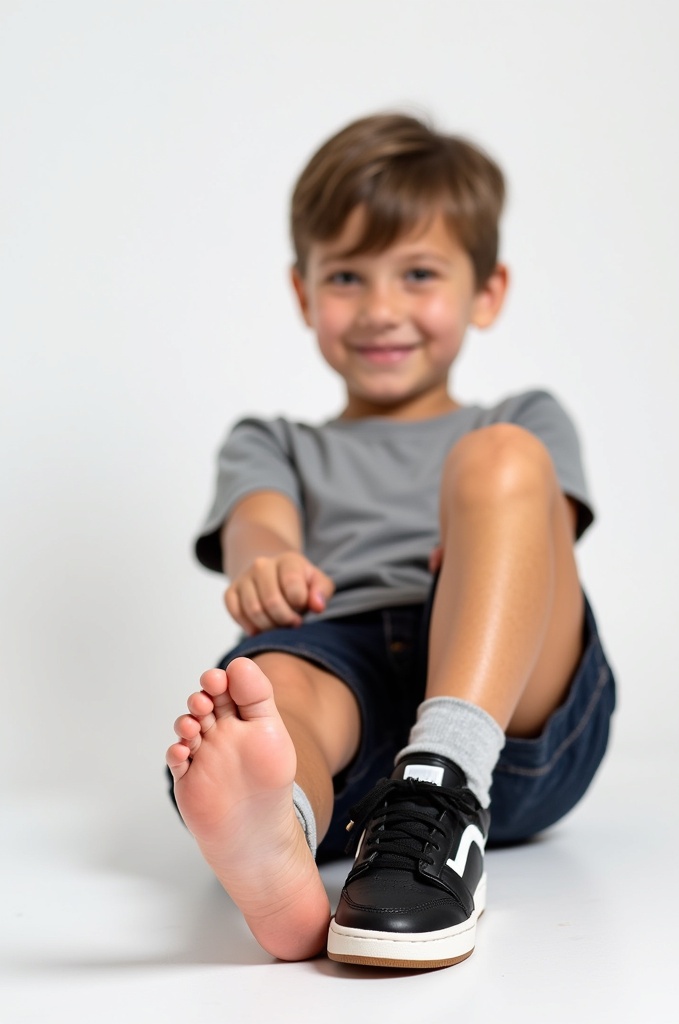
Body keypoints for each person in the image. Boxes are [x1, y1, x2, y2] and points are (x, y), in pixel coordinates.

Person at [165, 112, 616, 970]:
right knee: (280, 685)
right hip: (352, 679)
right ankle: (282, 829)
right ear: (302, 293)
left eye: (417, 274)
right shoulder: (275, 440)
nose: (380, 310)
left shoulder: (520, 421)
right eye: (346, 277)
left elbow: (544, 535)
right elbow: (259, 518)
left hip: (509, 705)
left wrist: (483, 547)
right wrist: (268, 561)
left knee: (505, 465)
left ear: (487, 290)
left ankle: (442, 781)